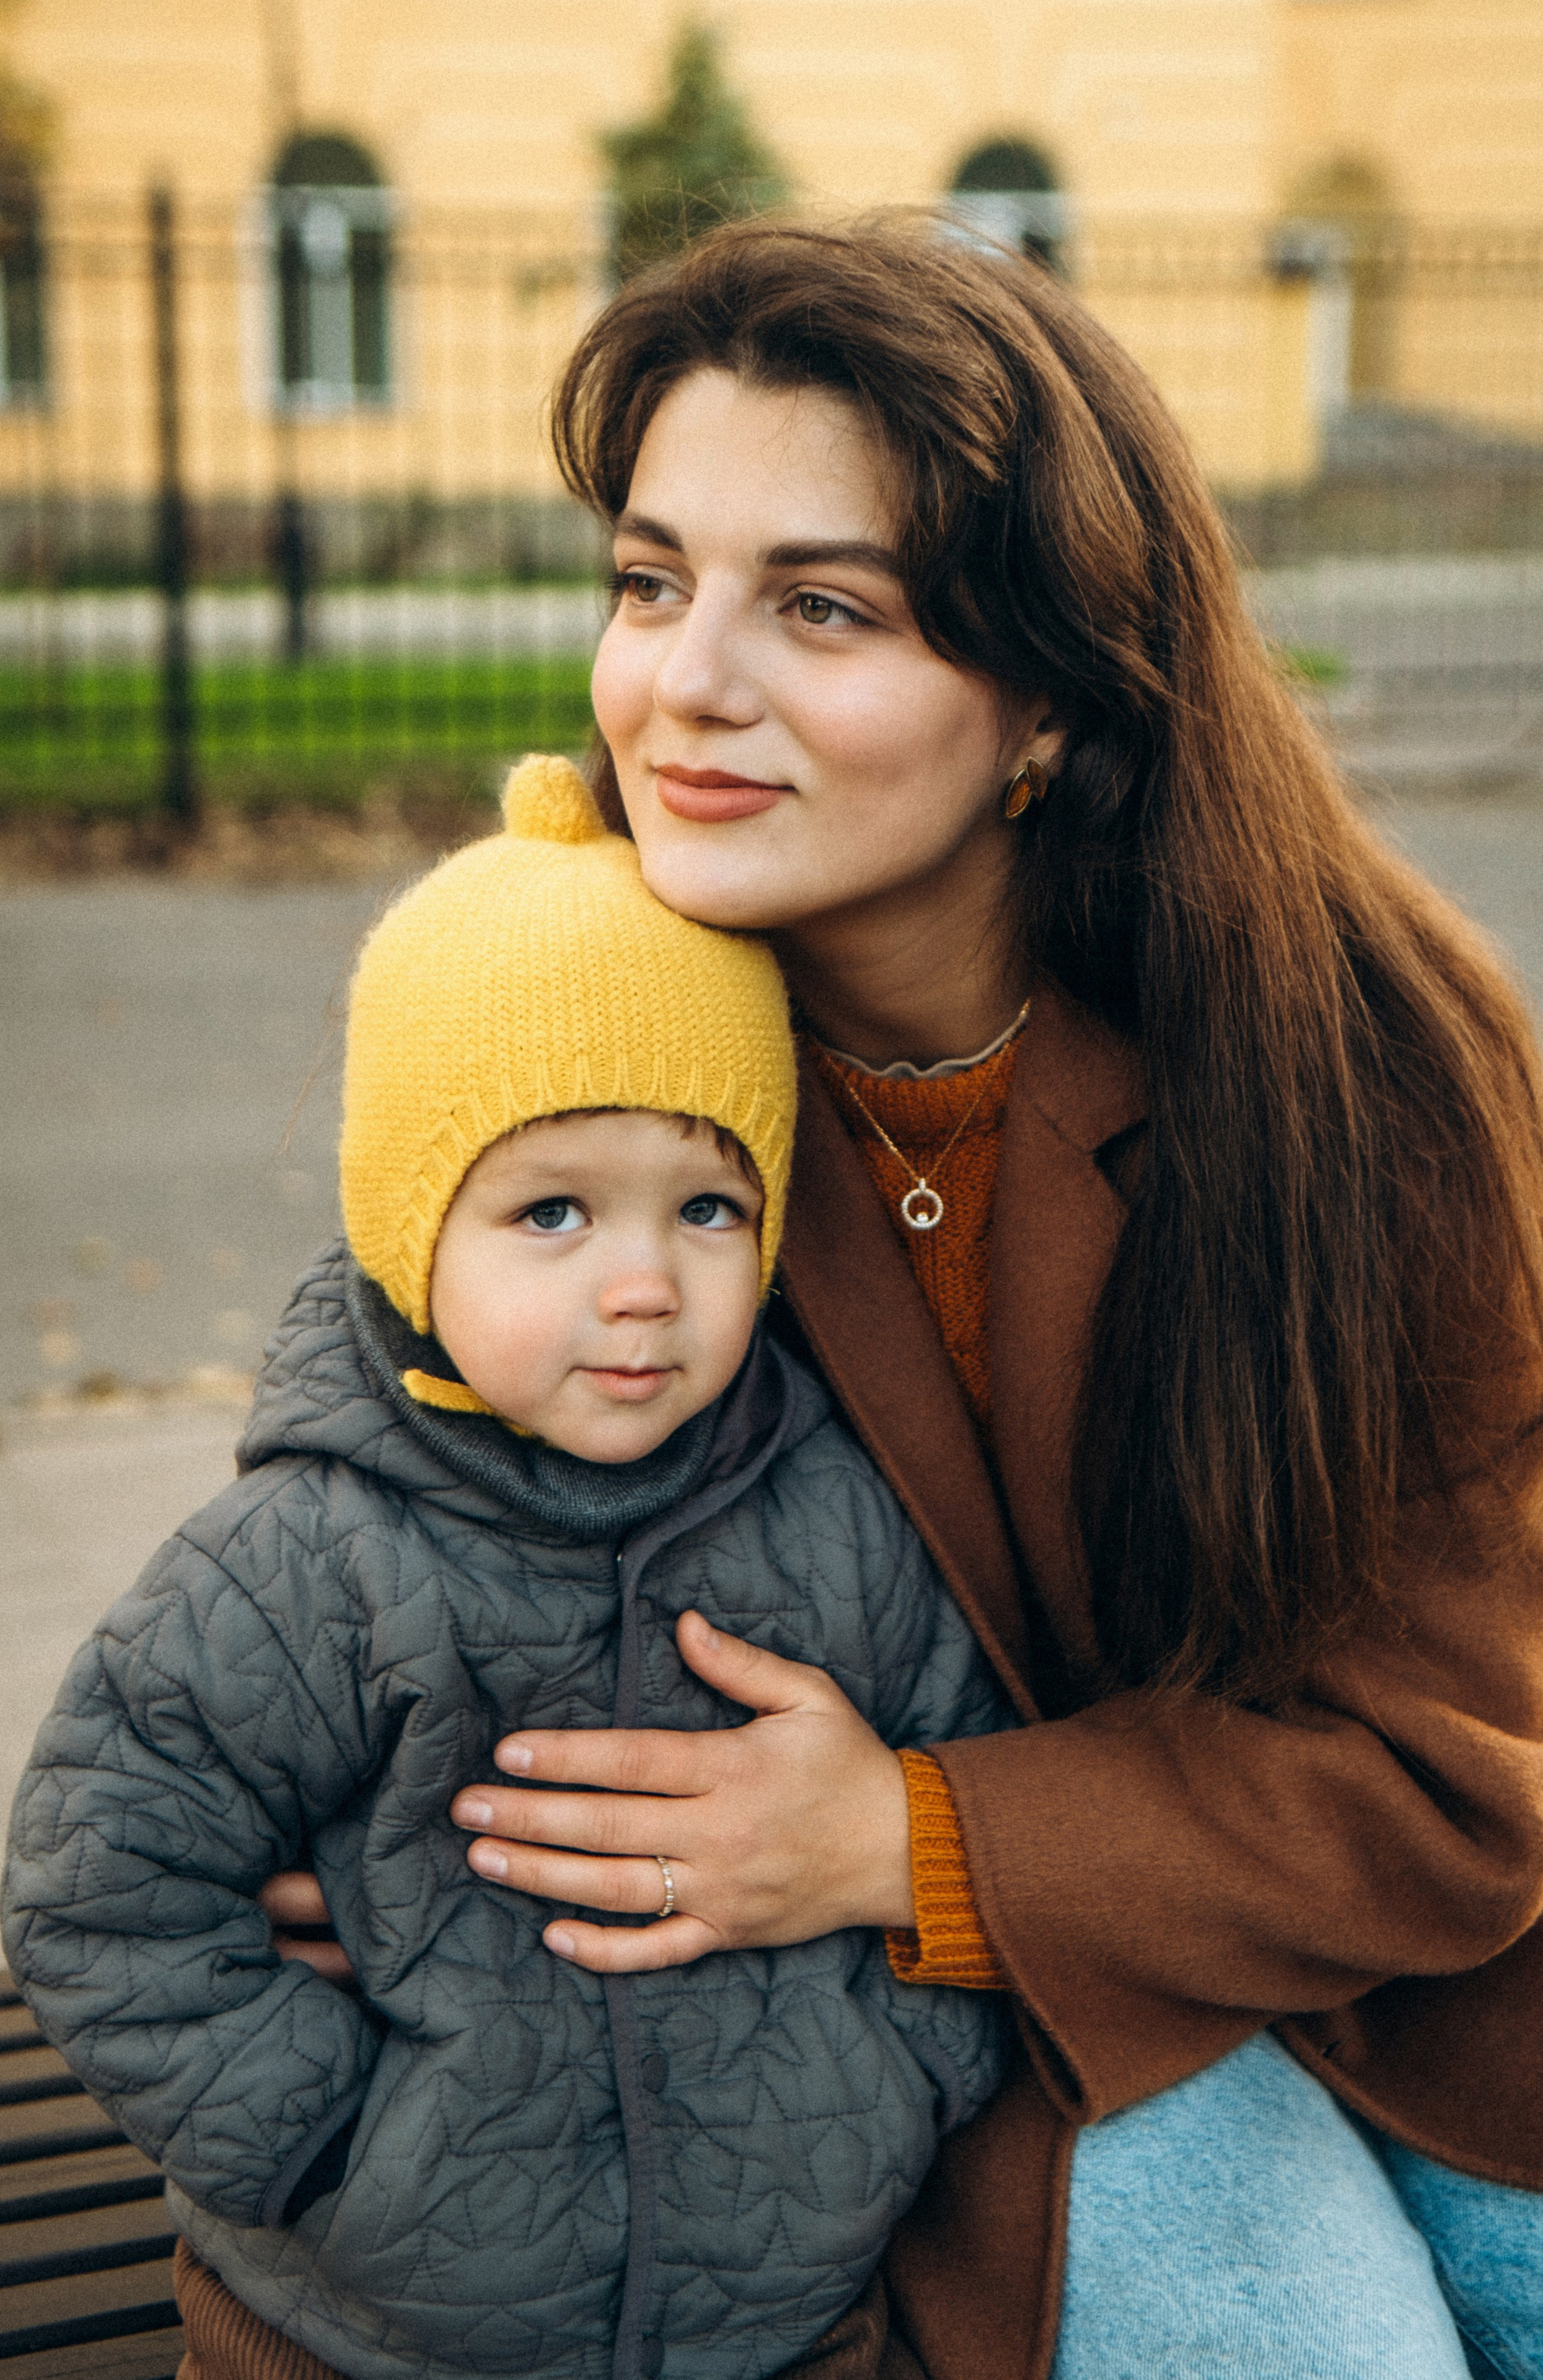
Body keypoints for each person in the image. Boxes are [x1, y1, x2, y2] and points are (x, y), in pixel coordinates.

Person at [266, 216, 1543, 2379]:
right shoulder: (588, 1023)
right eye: (653, 582)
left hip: (1419, 1987)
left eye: (823, 607)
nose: (686, 685)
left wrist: (915, 1826)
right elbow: (379, 1453)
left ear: (1048, 694)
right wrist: (354, 1801)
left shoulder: (1368, 1070)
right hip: (923, 2043)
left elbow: (1461, 1782)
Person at [1, 755, 1022, 2380]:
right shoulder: (310, 1561)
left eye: (706, 1206)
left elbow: (968, 1786)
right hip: (356, 2337)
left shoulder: (847, 1514)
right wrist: (327, 2153)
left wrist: (890, 2088)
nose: (643, 1285)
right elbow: (100, 1881)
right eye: (552, 1213)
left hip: (786, 2325)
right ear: (414, 1236)